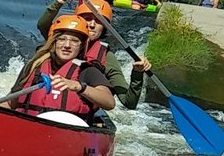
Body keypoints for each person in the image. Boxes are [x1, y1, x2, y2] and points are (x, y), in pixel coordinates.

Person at [9, 14, 148, 119]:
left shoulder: (88, 71)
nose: (67, 45)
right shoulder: (35, 65)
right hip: (29, 124)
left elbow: (109, 103)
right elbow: (11, 102)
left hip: (68, 132)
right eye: (62, 39)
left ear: (81, 46)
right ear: (53, 42)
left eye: (74, 41)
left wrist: (79, 86)